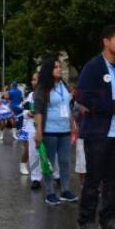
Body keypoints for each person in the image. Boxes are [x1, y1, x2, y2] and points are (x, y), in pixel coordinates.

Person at [76, 24, 115, 229]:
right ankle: (86, 224)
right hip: (98, 134)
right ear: (106, 42)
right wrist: (113, 105)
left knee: (114, 181)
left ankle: (107, 221)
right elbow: (82, 98)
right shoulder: (93, 67)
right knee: (93, 181)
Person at [34, 57, 78, 206]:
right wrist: (39, 131)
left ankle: (65, 190)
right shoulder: (43, 88)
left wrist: (72, 123)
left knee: (65, 161)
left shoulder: (63, 85)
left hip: (65, 129)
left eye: (60, 66)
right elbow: (38, 111)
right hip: (49, 130)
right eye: (56, 67)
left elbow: (68, 105)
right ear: (48, 71)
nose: (59, 69)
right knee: (49, 163)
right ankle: (50, 192)